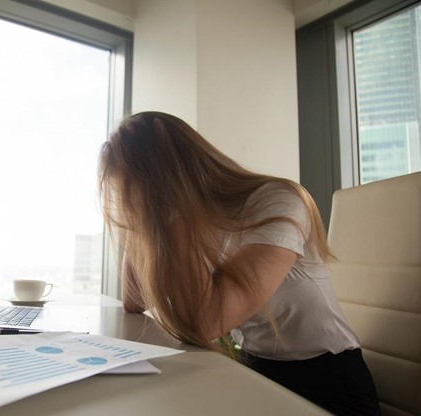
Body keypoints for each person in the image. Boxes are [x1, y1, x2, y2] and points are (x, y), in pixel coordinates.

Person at [98, 111, 380, 415]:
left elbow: (207, 322)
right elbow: (133, 300)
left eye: (139, 191)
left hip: (327, 383)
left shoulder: (278, 201)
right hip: (255, 367)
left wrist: (172, 212)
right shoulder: (190, 220)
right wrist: (141, 221)